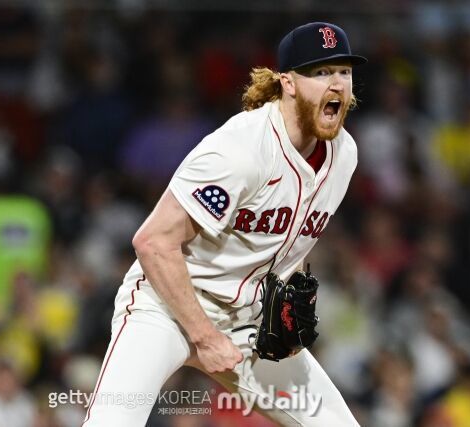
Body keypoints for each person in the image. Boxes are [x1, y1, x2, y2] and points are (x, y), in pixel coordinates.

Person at [82, 22, 366, 426]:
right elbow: (153, 242)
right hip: (166, 307)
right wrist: (204, 335)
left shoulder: (343, 155)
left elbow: (293, 239)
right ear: (288, 82)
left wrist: (286, 305)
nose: (337, 83)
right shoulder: (240, 151)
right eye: (321, 72)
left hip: (248, 323)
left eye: (344, 72)